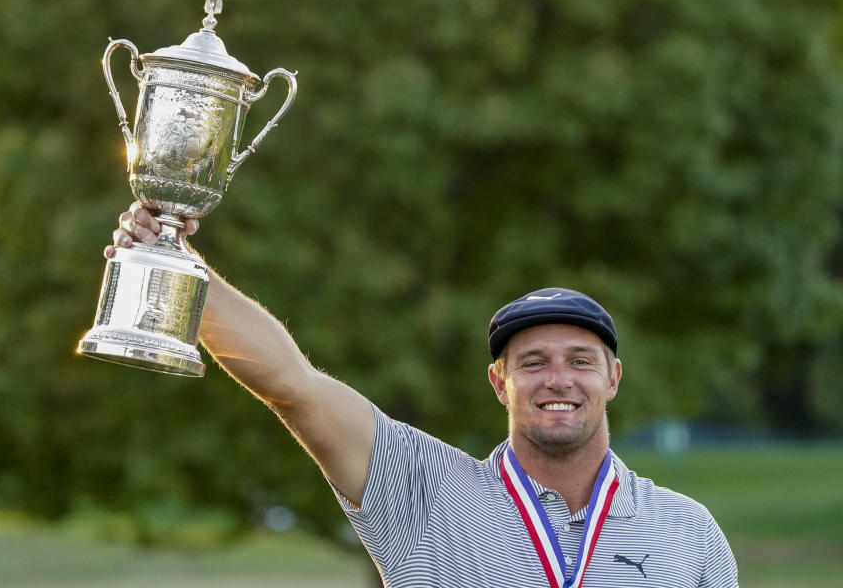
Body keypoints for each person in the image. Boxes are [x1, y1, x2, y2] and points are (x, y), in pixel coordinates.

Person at [107, 201, 739, 588]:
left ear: (613, 378)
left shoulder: (689, 532)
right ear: (500, 381)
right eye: (534, 362)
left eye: (581, 361)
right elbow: (293, 384)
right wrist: (175, 262)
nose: (559, 380)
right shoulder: (422, 490)